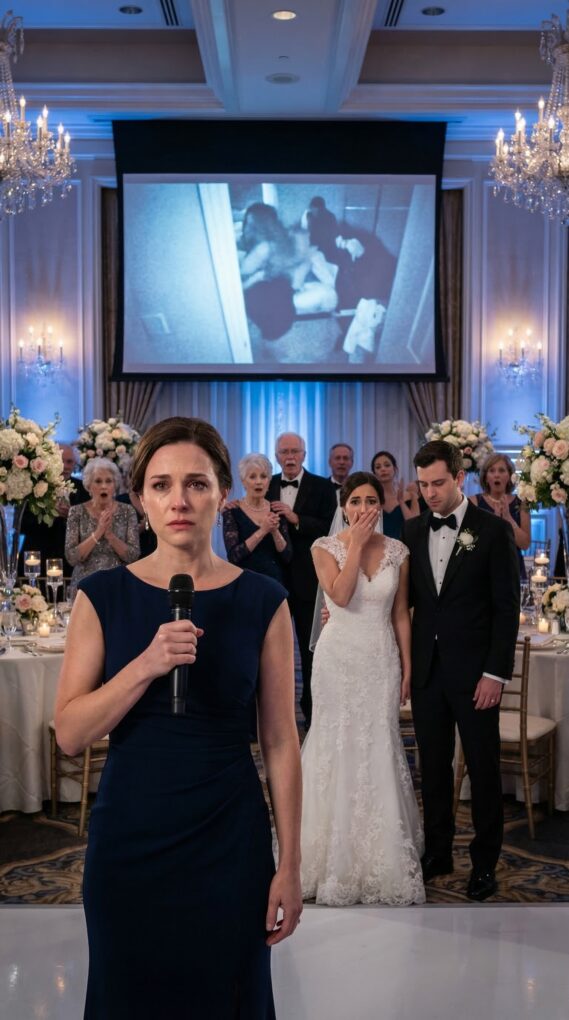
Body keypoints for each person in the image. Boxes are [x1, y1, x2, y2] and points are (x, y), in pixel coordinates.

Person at [54, 416, 302, 1020]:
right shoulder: (101, 596)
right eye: (161, 485)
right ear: (140, 500)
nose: (180, 501)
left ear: (223, 493)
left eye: (196, 483)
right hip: (130, 834)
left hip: (229, 837)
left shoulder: (264, 600)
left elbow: (280, 741)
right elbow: (70, 734)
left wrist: (292, 864)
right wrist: (145, 665)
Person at [402, 440, 519, 901]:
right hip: (428, 672)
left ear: (459, 478)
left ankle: (485, 864)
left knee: (483, 771)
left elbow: (506, 609)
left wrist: (495, 674)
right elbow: (404, 600)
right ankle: (438, 852)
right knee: (432, 768)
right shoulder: (412, 531)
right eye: (423, 484)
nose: (430, 493)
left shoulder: (492, 531)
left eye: (438, 483)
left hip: (476, 676)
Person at [300, 471, 424, 905]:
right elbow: (339, 593)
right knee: (335, 744)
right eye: (355, 501)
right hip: (337, 659)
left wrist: (407, 666)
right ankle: (329, 856)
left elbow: (401, 613)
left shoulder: (398, 551)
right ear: (344, 506)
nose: (363, 508)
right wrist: (354, 543)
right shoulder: (324, 547)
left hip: (380, 658)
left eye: (371, 500)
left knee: (378, 743)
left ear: (381, 505)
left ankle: (380, 855)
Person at [268, 432, 337, 728]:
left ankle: (313, 716)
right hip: (274, 581)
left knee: (312, 653)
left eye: (295, 451)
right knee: (273, 654)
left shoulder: (322, 486)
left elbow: (330, 527)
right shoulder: (266, 484)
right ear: (276, 456)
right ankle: (274, 718)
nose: (290, 457)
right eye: (284, 452)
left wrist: (296, 518)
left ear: (304, 455)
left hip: (310, 581)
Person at [65, 457, 140, 598]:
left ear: (115, 485)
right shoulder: (76, 512)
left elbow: (133, 556)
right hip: (84, 586)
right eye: (98, 481)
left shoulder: (127, 511)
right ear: (89, 485)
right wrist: (98, 532)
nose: (104, 486)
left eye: (109, 481)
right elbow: (72, 558)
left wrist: (110, 536)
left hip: (119, 585)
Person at [222, 453, 292, 586]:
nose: (258, 481)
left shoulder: (277, 510)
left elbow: (287, 556)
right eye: (252, 477)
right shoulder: (232, 511)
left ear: (269, 481)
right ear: (243, 481)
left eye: (263, 476)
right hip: (245, 583)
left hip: (274, 584)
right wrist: (263, 530)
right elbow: (234, 556)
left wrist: (274, 531)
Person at [20, 443, 89, 574]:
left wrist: (71, 516)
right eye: (61, 461)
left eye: (70, 462)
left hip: (70, 563)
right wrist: (50, 514)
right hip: (36, 558)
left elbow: (90, 526)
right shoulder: (33, 486)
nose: (66, 466)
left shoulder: (84, 489)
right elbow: (21, 525)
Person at [470, 453, 530, 580]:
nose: (496, 475)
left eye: (502, 470)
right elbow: (468, 543)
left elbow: (525, 544)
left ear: (509, 476)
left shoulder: (522, 503)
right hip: (483, 571)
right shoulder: (473, 502)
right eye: (492, 471)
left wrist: (508, 519)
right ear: (486, 477)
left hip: (513, 569)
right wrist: (495, 523)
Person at [371, 450, 420, 539]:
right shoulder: (373, 499)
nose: (383, 469)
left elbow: (415, 526)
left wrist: (401, 502)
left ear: (395, 469)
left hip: (407, 544)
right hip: (380, 545)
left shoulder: (411, 495)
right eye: (378, 467)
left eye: (387, 465)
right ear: (374, 474)